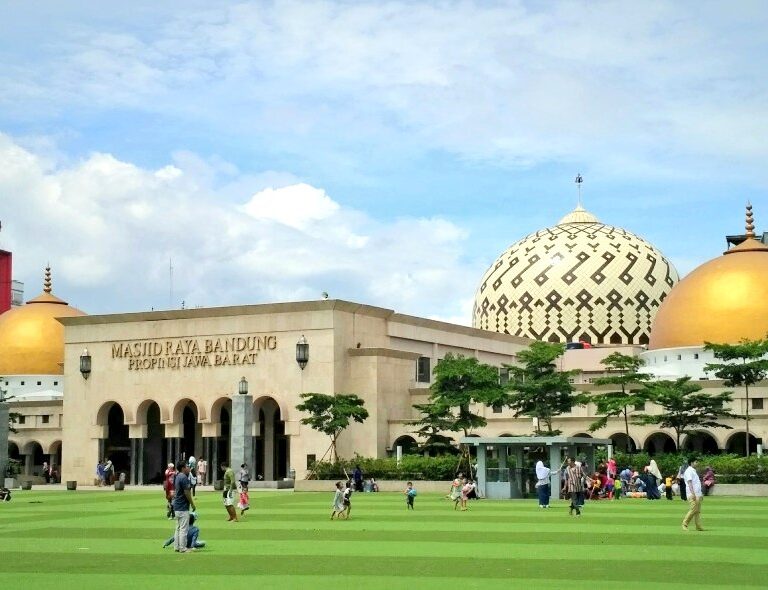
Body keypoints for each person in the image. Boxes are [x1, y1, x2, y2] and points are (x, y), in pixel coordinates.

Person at [171, 460, 197, 553]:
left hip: (177, 506)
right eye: (187, 466)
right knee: (183, 528)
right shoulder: (184, 478)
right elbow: (187, 492)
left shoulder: (177, 476)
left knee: (178, 528)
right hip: (182, 506)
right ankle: (183, 547)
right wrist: (192, 504)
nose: (188, 468)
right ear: (183, 468)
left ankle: (176, 546)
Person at [682, 456, 704, 531]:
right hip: (692, 494)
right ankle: (685, 524)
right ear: (691, 463)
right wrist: (693, 493)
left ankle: (698, 526)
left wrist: (700, 494)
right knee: (693, 509)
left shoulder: (693, 471)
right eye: (696, 462)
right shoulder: (689, 471)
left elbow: (696, 483)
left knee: (697, 510)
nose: (697, 463)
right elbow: (689, 483)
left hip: (697, 494)